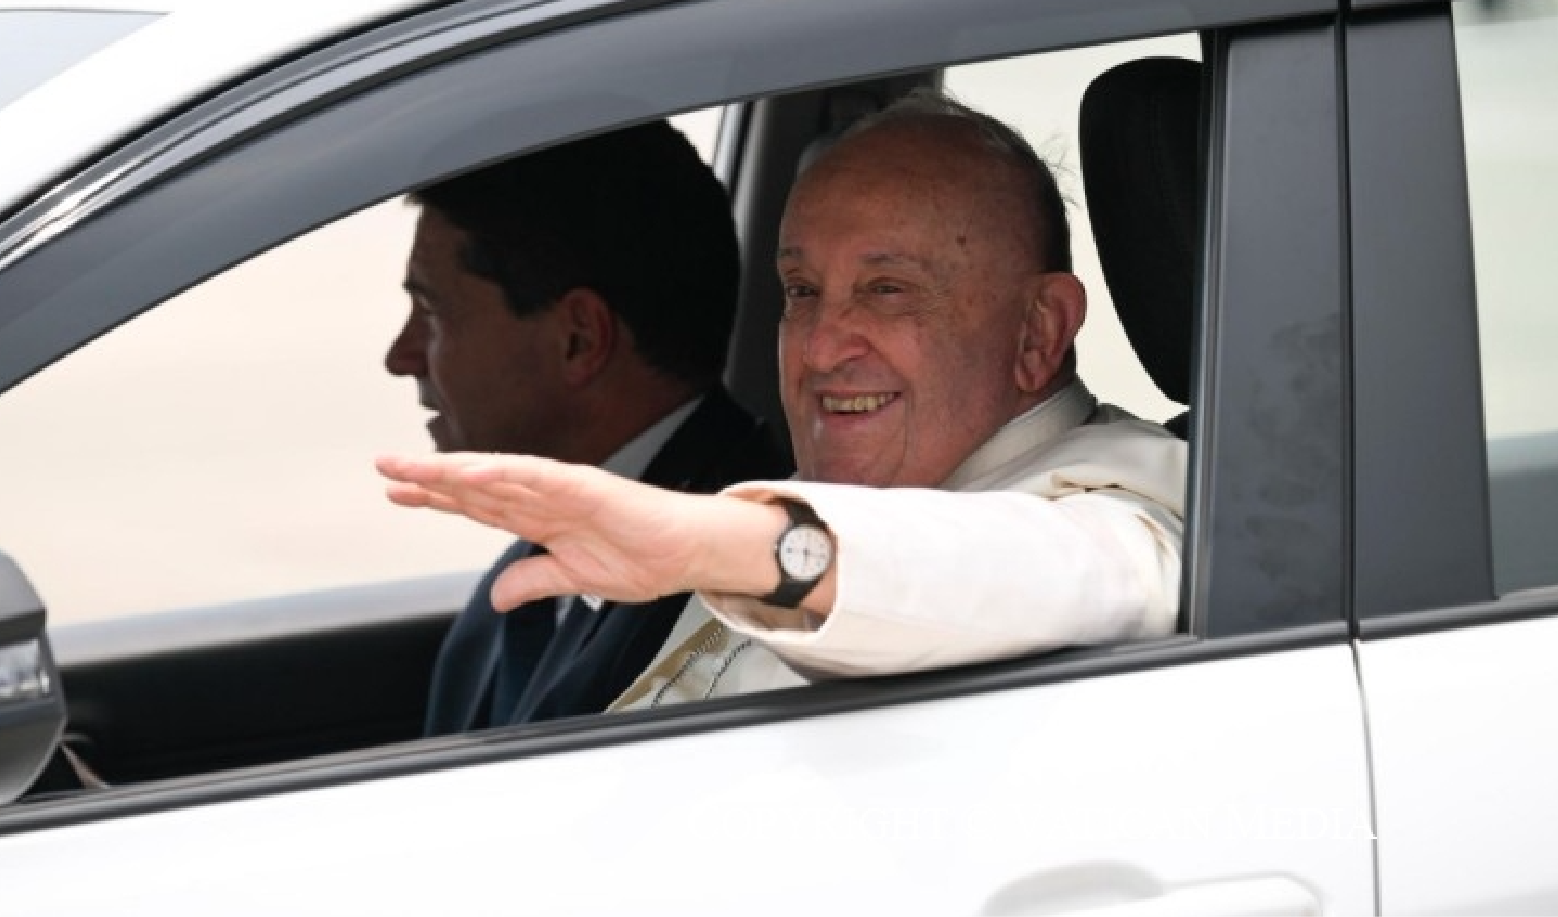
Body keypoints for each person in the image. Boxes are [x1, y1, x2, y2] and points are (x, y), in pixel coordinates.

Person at [378, 95, 1186, 709]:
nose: (821, 346)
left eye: (887, 290)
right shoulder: (823, 496)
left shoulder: (1137, 501)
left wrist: (734, 546)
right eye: (802, 290)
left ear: (1039, 331)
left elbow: (1047, 576)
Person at [387, 121, 790, 733]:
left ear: (580, 339)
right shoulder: (527, 571)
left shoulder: (745, 597)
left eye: (435, 314)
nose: (402, 355)